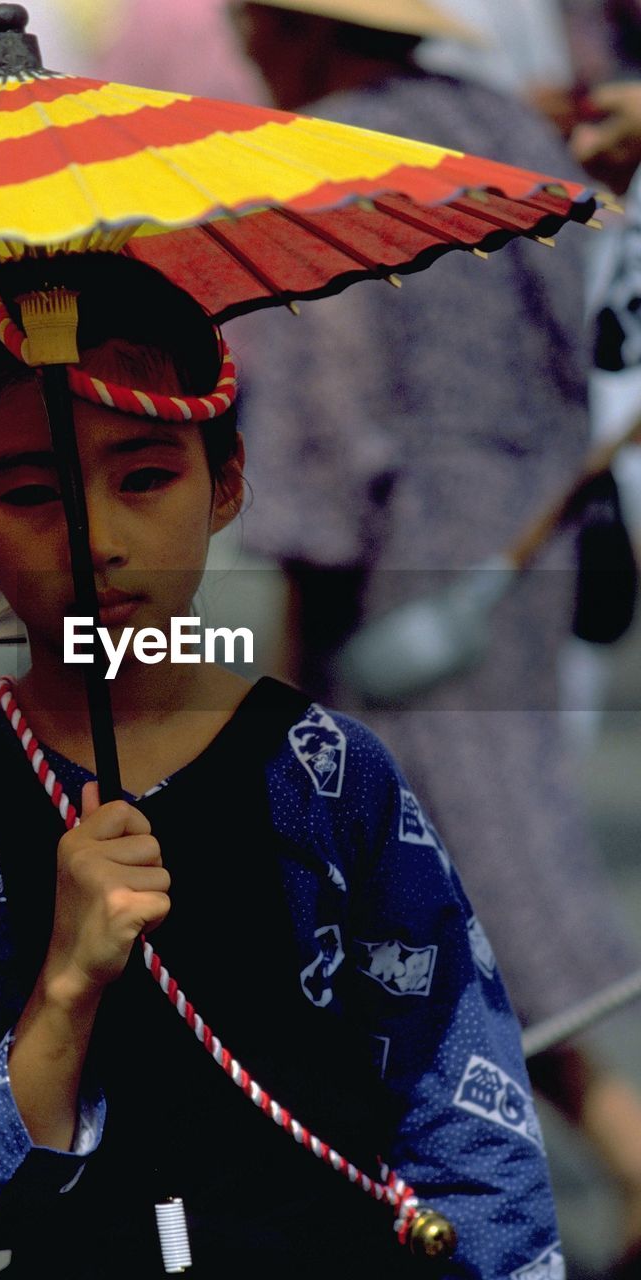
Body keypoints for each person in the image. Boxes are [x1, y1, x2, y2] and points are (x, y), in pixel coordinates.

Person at [0, 252, 562, 1278]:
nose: (96, 538)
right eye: (34, 492)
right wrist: (66, 982)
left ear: (225, 479)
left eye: (144, 477)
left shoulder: (325, 773)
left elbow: (467, 1114)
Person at [231, 0, 641, 1262]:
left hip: (406, 574)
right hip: (523, 542)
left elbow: (327, 438)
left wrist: (291, 645)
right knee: (483, 858)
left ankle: (628, 1158)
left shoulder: (322, 165)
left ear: (288, 27)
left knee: (459, 882)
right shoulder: (499, 132)